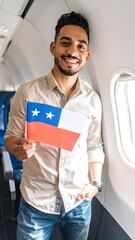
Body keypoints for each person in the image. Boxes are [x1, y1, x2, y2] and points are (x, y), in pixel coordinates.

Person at [4, 11, 105, 240]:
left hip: (78, 202)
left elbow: (94, 145)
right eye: (65, 43)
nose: (72, 51)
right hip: (36, 203)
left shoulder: (92, 101)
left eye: (81, 46)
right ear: (53, 47)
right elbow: (10, 137)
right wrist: (16, 147)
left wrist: (96, 185)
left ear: (87, 56)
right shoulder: (27, 93)